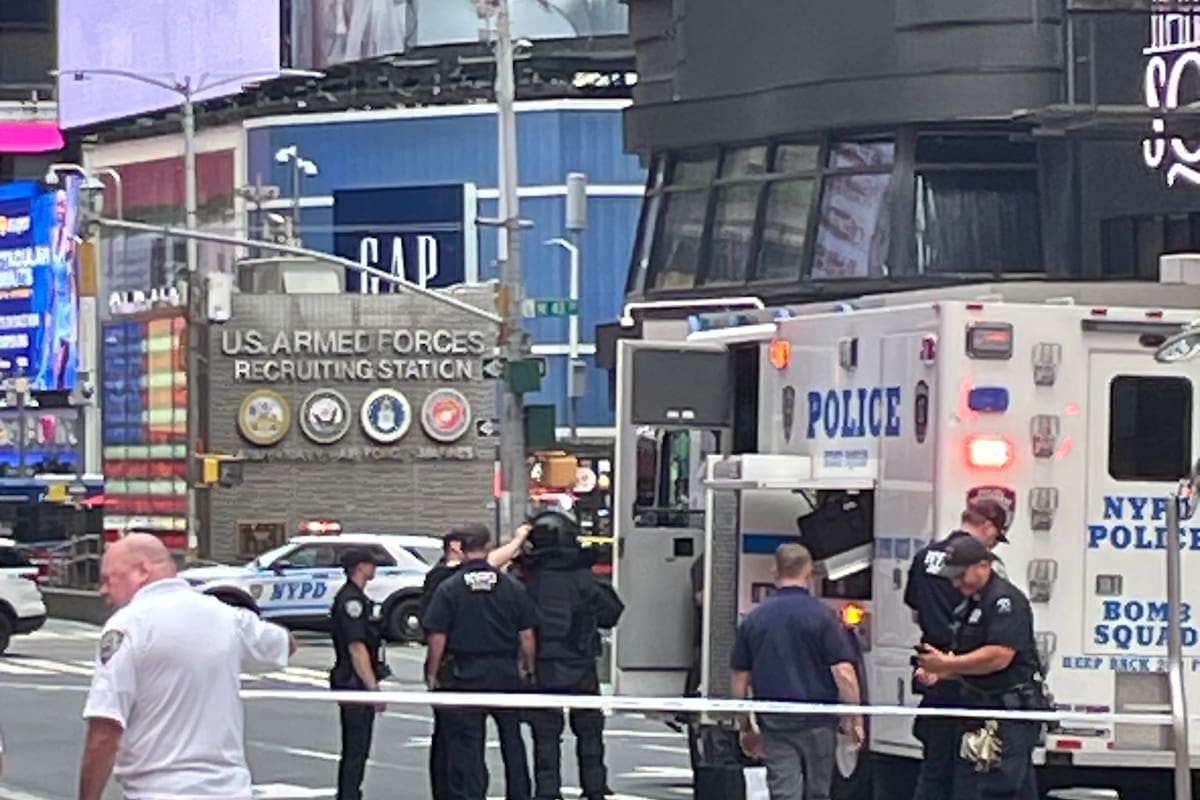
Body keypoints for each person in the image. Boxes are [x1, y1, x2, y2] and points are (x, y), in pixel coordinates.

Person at [79, 534, 296, 800]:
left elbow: (105, 731)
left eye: (108, 579)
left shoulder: (128, 625)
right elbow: (285, 644)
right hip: (229, 790)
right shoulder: (225, 616)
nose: (103, 590)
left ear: (142, 570)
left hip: (158, 791)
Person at [729, 543, 863, 800]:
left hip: (775, 722)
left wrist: (744, 725)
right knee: (818, 791)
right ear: (810, 571)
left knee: (783, 792)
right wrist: (854, 718)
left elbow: (739, 678)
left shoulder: (755, 619)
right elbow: (844, 673)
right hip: (819, 721)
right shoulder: (823, 617)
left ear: (774, 569)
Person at [916, 536, 1046, 800]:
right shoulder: (971, 603)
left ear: (984, 565)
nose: (956, 582)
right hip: (980, 708)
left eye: (961, 575)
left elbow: (999, 656)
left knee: (995, 787)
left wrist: (948, 664)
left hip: (1006, 713)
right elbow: (972, 657)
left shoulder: (1004, 602)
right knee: (1004, 787)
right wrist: (941, 670)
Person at [904, 499, 1011, 800]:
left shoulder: (924, 557)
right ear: (987, 527)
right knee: (969, 765)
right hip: (968, 673)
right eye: (995, 537)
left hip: (932, 666)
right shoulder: (982, 567)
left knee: (933, 766)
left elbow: (915, 612)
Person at [423, 525, 538, 800]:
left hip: (466, 672)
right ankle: (520, 793)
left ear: (461, 549)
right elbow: (527, 635)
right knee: (512, 738)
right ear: (487, 547)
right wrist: (528, 668)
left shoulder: (450, 587)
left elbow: (438, 636)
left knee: (470, 742)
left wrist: (432, 671)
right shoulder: (511, 587)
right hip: (504, 671)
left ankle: (473, 794)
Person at [520, 511, 625, 800]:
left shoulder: (527, 578)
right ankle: (594, 787)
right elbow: (612, 613)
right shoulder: (584, 577)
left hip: (543, 665)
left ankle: (547, 790)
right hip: (581, 663)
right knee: (590, 732)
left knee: (545, 735)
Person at [329, 547, 391, 800]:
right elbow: (356, 647)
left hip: (352, 680)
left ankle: (350, 792)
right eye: (370, 564)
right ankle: (349, 794)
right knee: (356, 747)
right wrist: (372, 689)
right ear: (360, 567)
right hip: (353, 682)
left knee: (358, 747)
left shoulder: (357, 598)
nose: (374, 568)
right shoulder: (351, 601)